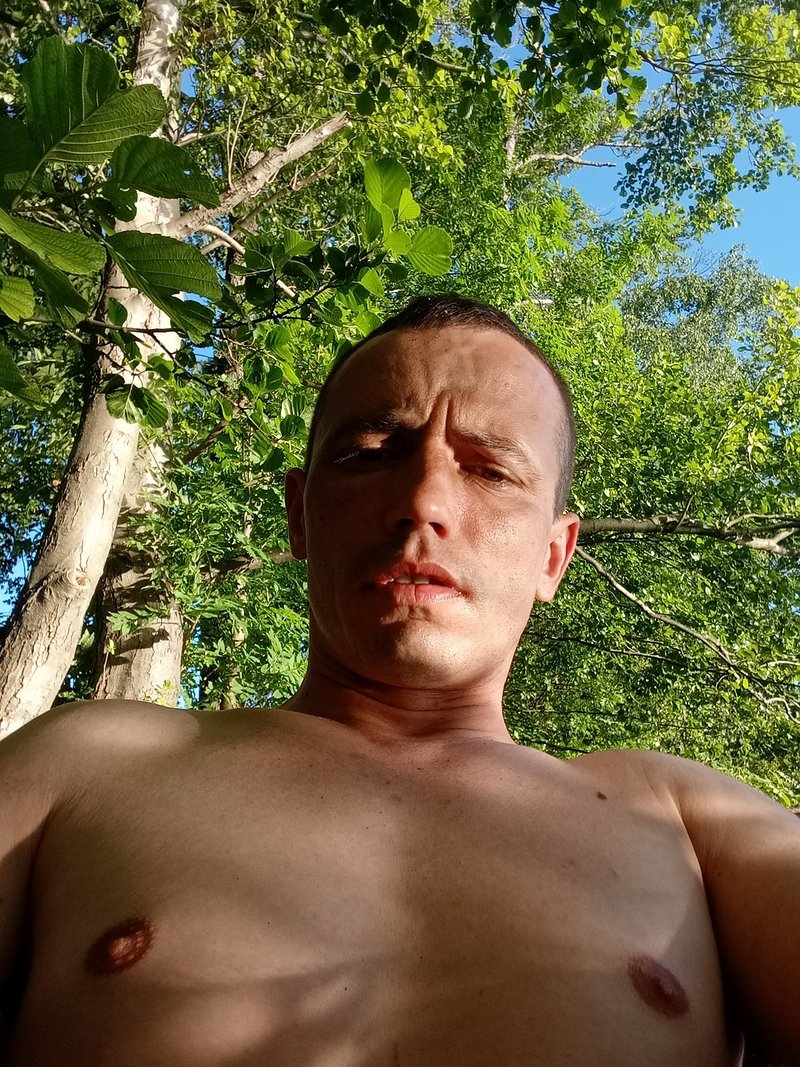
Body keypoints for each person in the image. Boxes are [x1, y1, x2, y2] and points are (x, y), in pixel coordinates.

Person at [1, 294, 798, 1066]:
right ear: (299, 515)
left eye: (490, 470)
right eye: (369, 454)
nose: (422, 502)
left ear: (555, 555)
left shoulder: (686, 819)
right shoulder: (89, 763)